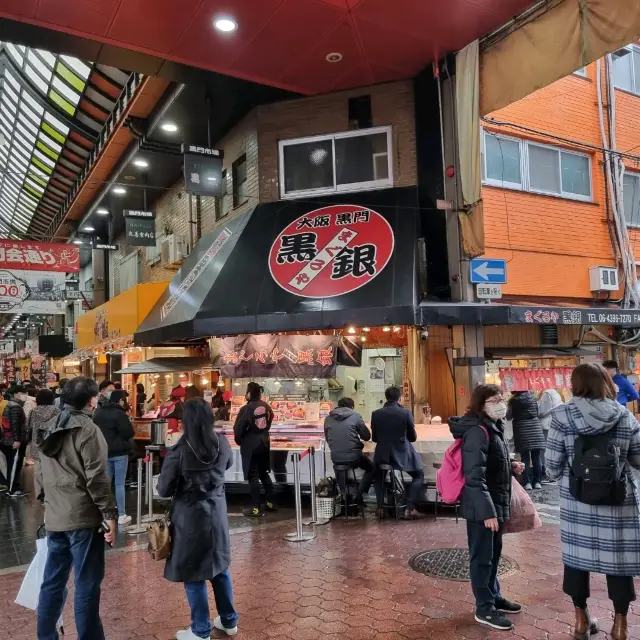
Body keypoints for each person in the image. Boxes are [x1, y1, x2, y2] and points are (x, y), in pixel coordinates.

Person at [546, 363, 640, 640]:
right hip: (618, 502)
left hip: (578, 502)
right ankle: (621, 624)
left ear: (575, 384)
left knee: (576, 560)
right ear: (605, 383)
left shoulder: (561, 415)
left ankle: (580, 620)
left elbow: (551, 466)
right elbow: (637, 459)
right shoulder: (624, 416)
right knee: (619, 563)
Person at [35, 376, 117, 640]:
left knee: (52, 582)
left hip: (55, 518)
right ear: (92, 400)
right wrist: (110, 514)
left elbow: (39, 470)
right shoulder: (87, 429)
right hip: (83, 519)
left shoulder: (48, 425)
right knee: (86, 585)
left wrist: (46, 501)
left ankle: (46, 636)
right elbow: (98, 478)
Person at [157, 398, 238, 639]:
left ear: (187, 422)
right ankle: (229, 620)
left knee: (194, 573)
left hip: (190, 518)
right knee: (220, 567)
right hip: (217, 513)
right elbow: (228, 464)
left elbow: (163, 489)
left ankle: (200, 630)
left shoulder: (179, 452)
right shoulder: (222, 443)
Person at [449, 384, 524, 631]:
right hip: (483, 506)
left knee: (493, 555)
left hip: (495, 500)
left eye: (501, 398)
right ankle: (484, 608)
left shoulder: (493, 427)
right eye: (494, 399)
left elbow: (489, 463)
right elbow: (474, 477)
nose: (500, 403)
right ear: (481, 404)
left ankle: (494, 596)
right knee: (482, 558)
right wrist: (487, 512)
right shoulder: (477, 431)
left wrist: (509, 465)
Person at [371, 386, 424, 518]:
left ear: (386, 397)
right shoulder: (405, 413)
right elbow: (413, 438)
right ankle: (410, 508)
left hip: (382, 455)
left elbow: (375, 438)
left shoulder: (376, 413)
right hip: (401, 454)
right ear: (400, 398)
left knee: (378, 477)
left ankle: (380, 508)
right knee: (419, 475)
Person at [93, 388, 135, 526]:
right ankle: (122, 514)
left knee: (106, 484)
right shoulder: (120, 414)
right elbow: (128, 433)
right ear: (121, 400)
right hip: (119, 453)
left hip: (104, 452)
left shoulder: (98, 413)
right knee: (119, 484)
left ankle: (105, 514)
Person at [234, 382, 276, 518]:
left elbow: (238, 428)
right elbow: (270, 420)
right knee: (263, 473)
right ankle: (270, 502)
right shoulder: (266, 406)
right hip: (264, 442)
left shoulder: (246, 408)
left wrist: (240, 440)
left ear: (249, 393)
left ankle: (256, 508)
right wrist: (264, 432)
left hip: (251, 445)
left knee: (253, 476)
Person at [324, 397, 373, 504]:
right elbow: (366, 436)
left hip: (336, 457)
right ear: (352, 407)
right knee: (371, 468)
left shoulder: (328, 418)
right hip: (354, 457)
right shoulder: (355, 416)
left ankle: (344, 496)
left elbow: (328, 439)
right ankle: (359, 495)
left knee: (339, 467)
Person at [508, 390, 545, 490]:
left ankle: (527, 483)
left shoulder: (513, 401)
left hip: (522, 430)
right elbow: (537, 412)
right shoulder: (533, 399)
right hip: (536, 429)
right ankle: (538, 482)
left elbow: (508, 416)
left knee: (525, 458)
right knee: (537, 457)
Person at [0, 386, 27, 497]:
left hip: (5, 439)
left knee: (10, 464)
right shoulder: (15, 407)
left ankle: (8, 486)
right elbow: (15, 425)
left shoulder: (8, 404)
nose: (25, 395)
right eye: (23, 393)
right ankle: (12, 489)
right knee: (14, 464)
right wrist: (17, 439)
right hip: (12, 440)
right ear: (16, 394)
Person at [27, 389, 60, 465]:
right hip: (51, 442)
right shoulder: (57, 411)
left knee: (39, 466)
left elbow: (29, 426)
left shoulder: (33, 411)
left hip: (37, 442)